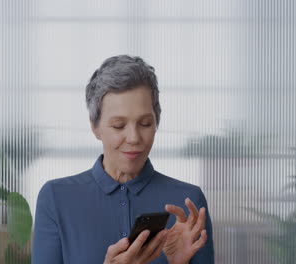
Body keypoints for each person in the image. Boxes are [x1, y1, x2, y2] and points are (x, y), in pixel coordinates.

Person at [32, 55, 214, 263]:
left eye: (145, 123)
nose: (134, 138)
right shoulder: (56, 198)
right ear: (95, 126)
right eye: (119, 125)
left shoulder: (188, 201)